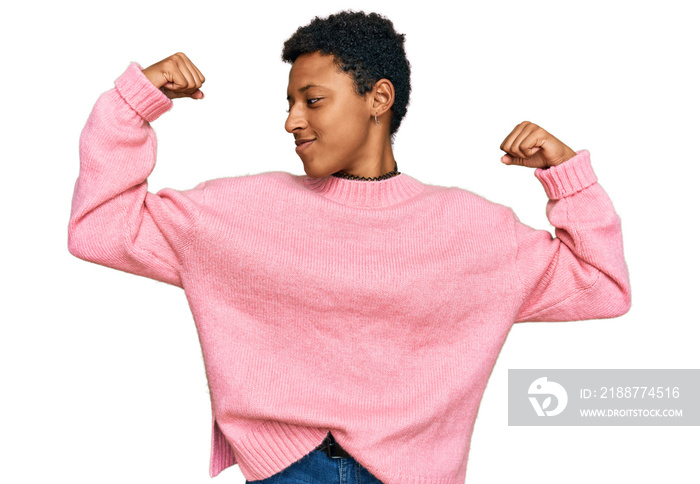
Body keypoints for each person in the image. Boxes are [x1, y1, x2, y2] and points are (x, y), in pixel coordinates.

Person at [68, 10, 631, 484]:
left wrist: (566, 174)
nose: (291, 120)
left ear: (378, 98)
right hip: (283, 470)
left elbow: (602, 287)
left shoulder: (473, 230)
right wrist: (132, 103)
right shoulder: (237, 212)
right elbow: (100, 228)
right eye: (289, 102)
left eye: (312, 101)